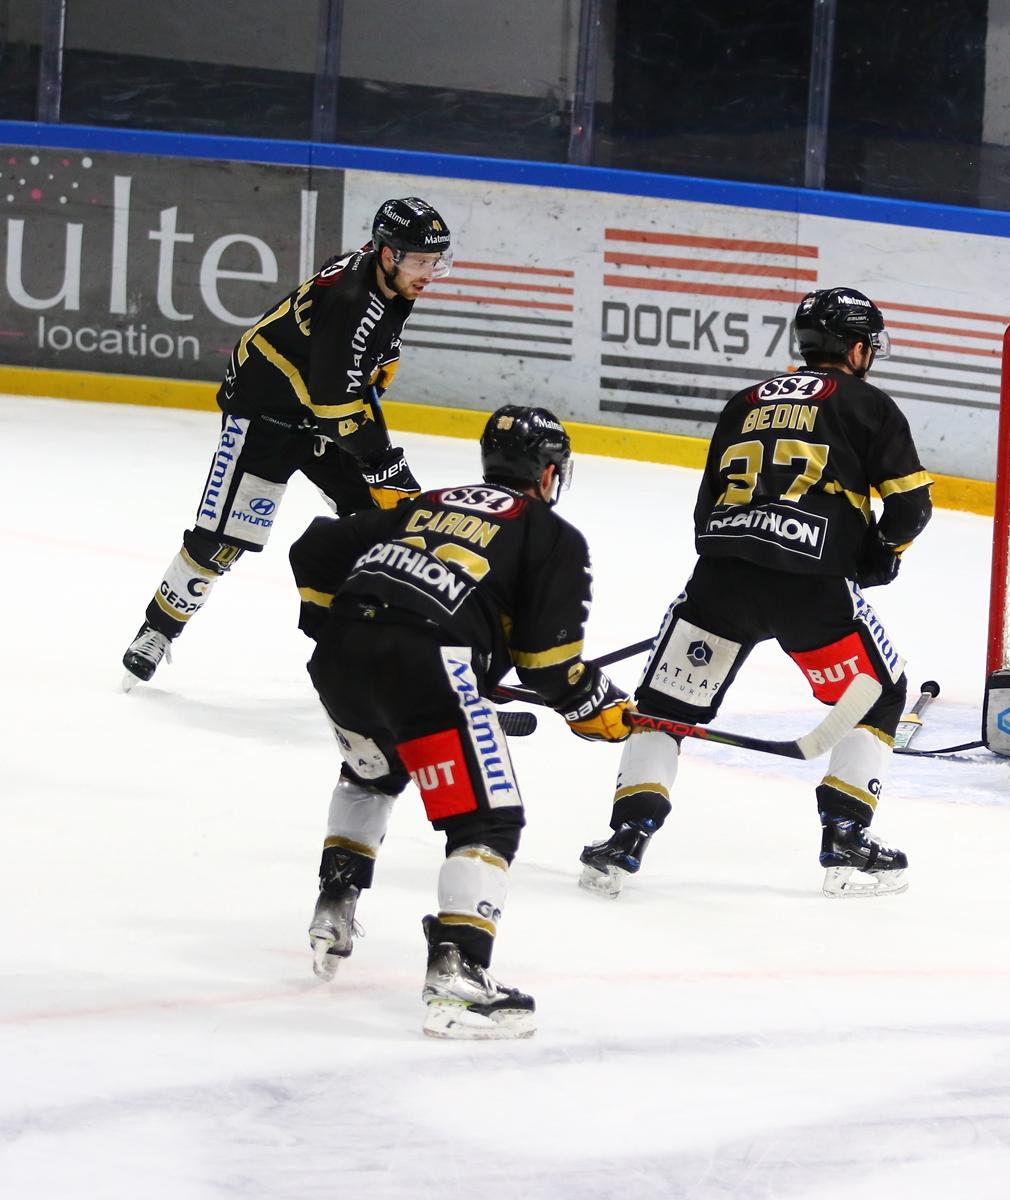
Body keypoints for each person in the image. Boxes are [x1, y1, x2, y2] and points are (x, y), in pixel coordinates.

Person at [288, 406, 632, 1038]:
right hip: (429, 665)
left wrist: (332, 620)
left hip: (339, 660)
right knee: (487, 820)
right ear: (549, 473)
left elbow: (314, 547)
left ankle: (334, 905)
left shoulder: (428, 503)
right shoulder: (550, 534)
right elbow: (548, 666)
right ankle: (458, 975)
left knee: (373, 771)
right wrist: (594, 703)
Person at [577, 286, 931, 899]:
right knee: (878, 695)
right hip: (811, 592)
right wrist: (878, 555)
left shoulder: (745, 401)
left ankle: (623, 841)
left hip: (721, 583)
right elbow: (911, 507)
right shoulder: (868, 404)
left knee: (663, 709)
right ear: (856, 349)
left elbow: (706, 506)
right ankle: (846, 839)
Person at [121, 197, 451, 689]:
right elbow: (334, 403)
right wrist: (383, 462)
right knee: (222, 541)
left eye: (436, 261)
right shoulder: (351, 300)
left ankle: (362, 644)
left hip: (319, 412)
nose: (430, 273)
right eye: (422, 261)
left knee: (380, 526)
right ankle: (157, 630)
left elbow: (344, 378)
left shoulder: (387, 279)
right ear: (388, 254)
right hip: (265, 417)